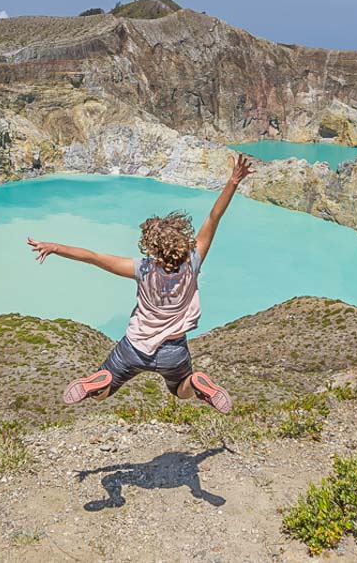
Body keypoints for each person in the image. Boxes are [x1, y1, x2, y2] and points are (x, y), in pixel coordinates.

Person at [27, 154, 255, 414]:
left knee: (103, 394)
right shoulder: (193, 262)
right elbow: (214, 218)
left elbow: (94, 257)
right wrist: (233, 181)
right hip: (173, 351)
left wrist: (55, 247)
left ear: (153, 249)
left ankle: (100, 382)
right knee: (182, 391)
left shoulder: (142, 269)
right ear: (181, 242)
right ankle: (194, 382)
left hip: (133, 348)